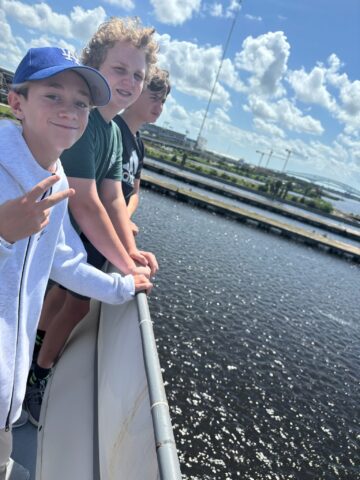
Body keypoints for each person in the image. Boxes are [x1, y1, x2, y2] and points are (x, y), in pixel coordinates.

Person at [0, 46, 152, 480]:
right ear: (17, 102)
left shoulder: (57, 181)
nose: (70, 110)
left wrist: (125, 284)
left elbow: (65, 259)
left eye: (81, 103)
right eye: (53, 95)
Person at [26, 17, 160, 427]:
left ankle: (31, 366)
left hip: (64, 242)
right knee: (67, 302)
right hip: (39, 236)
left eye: (138, 75)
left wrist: (131, 253)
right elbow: (85, 203)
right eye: (119, 69)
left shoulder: (115, 132)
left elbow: (113, 196)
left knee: (61, 302)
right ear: (95, 67)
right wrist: (124, 265)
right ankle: (35, 378)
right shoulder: (83, 123)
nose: (130, 81)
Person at [114, 67, 171, 235]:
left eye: (163, 101)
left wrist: (124, 218)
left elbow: (134, 192)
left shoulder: (139, 146)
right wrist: (121, 220)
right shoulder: (111, 129)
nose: (159, 107)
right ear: (136, 93)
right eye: (154, 98)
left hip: (117, 227)